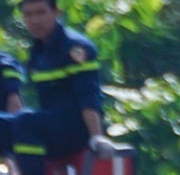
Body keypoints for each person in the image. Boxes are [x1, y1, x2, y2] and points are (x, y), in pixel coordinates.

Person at [17, 0, 115, 164]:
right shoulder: (37, 51)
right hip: (51, 125)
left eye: (41, 13)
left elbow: (88, 96)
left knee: (25, 121)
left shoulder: (75, 48)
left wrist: (96, 136)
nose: (35, 20)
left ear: (56, 13)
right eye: (28, 14)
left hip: (76, 129)